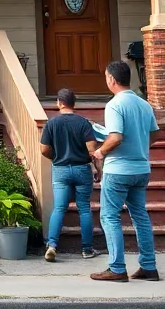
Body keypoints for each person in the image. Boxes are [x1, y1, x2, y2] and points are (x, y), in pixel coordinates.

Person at [90, 60, 159, 282]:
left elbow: (116, 137)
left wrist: (100, 152)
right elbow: (155, 134)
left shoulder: (114, 105)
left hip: (118, 169)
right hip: (141, 168)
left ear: (111, 79)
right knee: (140, 216)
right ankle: (149, 266)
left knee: (109, 216)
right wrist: (140, 146)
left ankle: (117, 268)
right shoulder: (144, 104)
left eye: (106, 77)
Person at [40, 87, 99, 262]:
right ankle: (87, 249)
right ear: (74, 104)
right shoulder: (83, 123)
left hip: (61, 169)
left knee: (59, 208)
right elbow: (92, 149)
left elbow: (43, 149)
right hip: (82, 168)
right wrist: (98, 168)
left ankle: (52, 245)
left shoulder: (51, 124)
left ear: (59, 103)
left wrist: (55, 157)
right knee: (84, 209)